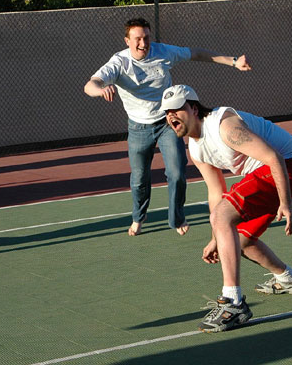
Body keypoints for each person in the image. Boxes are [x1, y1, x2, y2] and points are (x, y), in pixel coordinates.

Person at [160, 85, 292, 333]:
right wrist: (215, 237)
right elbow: (215, 192)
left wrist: (286, 204)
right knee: (237, 242)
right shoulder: (196, 149)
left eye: (177, 109)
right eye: (167, 112)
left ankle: (233, 303)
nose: (171, 116)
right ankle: (288, 279)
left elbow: (274, 158)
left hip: (287, 167)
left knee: (223, 218)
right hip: (266, 173)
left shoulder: (224, 126)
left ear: (194, 108)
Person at [84, 17, 252, 237]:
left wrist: (233, 61)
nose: (143, 44)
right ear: (127, 41)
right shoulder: (118, 63)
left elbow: (197, 54)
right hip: (138, 128)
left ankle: (177, 218)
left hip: (167, 122)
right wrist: (101, 90)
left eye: (146, 38)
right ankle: (138, 217)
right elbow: (90, 84)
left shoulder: (163, 52)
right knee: (139, 179)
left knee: (177, 172)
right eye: (137, 39)